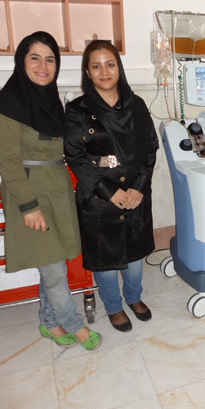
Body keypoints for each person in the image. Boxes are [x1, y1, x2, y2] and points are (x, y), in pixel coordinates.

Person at [0, 31, 101, 351]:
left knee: (54, 259)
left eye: (50, 60)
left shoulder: (50, 102)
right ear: (21, 62)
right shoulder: (6, 107)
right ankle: (74, 325)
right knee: (54, 269)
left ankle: (49, 323)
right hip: (30, 193)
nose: (43, 66)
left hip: (57, 190)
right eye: (35, 58)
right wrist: (29, 206)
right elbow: (8, 163)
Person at [64, 40, 159, 333]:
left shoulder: (137, 105)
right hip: (99, 199)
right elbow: (75, 157)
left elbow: (151, 148)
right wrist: (110, 191)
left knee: (135, 253)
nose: (104, 71)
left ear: (119, 68)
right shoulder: (77, 111)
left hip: (135, 195)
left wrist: (139, 188)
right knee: (105, 258)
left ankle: (134, 297)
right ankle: (114, 307)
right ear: (87, 72)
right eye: (96, 66)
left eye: (110, 64)